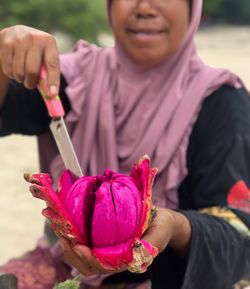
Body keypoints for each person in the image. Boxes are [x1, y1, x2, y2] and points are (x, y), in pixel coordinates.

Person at [0, 0, 250, 288]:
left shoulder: (223, 103)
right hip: (62, 263)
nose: (144, 8)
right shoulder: (65, 79)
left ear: (192, 7)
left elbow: (240, 237)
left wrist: (175, 226)